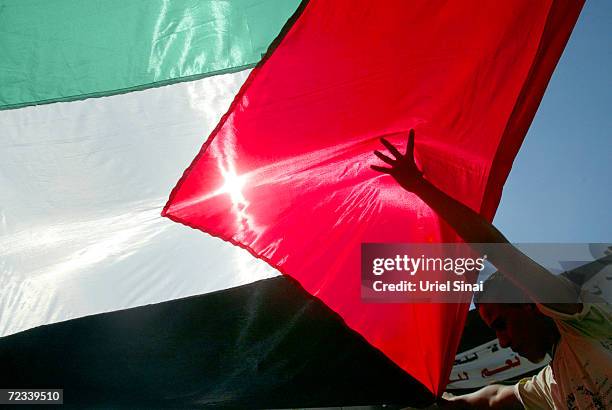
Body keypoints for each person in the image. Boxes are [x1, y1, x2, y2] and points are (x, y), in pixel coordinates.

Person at [372, 130, 611, 409]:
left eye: (502, 324)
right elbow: (492, 398)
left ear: (530, 303)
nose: (503, 341)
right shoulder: (550, 387)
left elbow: (497, 249)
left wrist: (418, 186)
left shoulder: (583, 322)